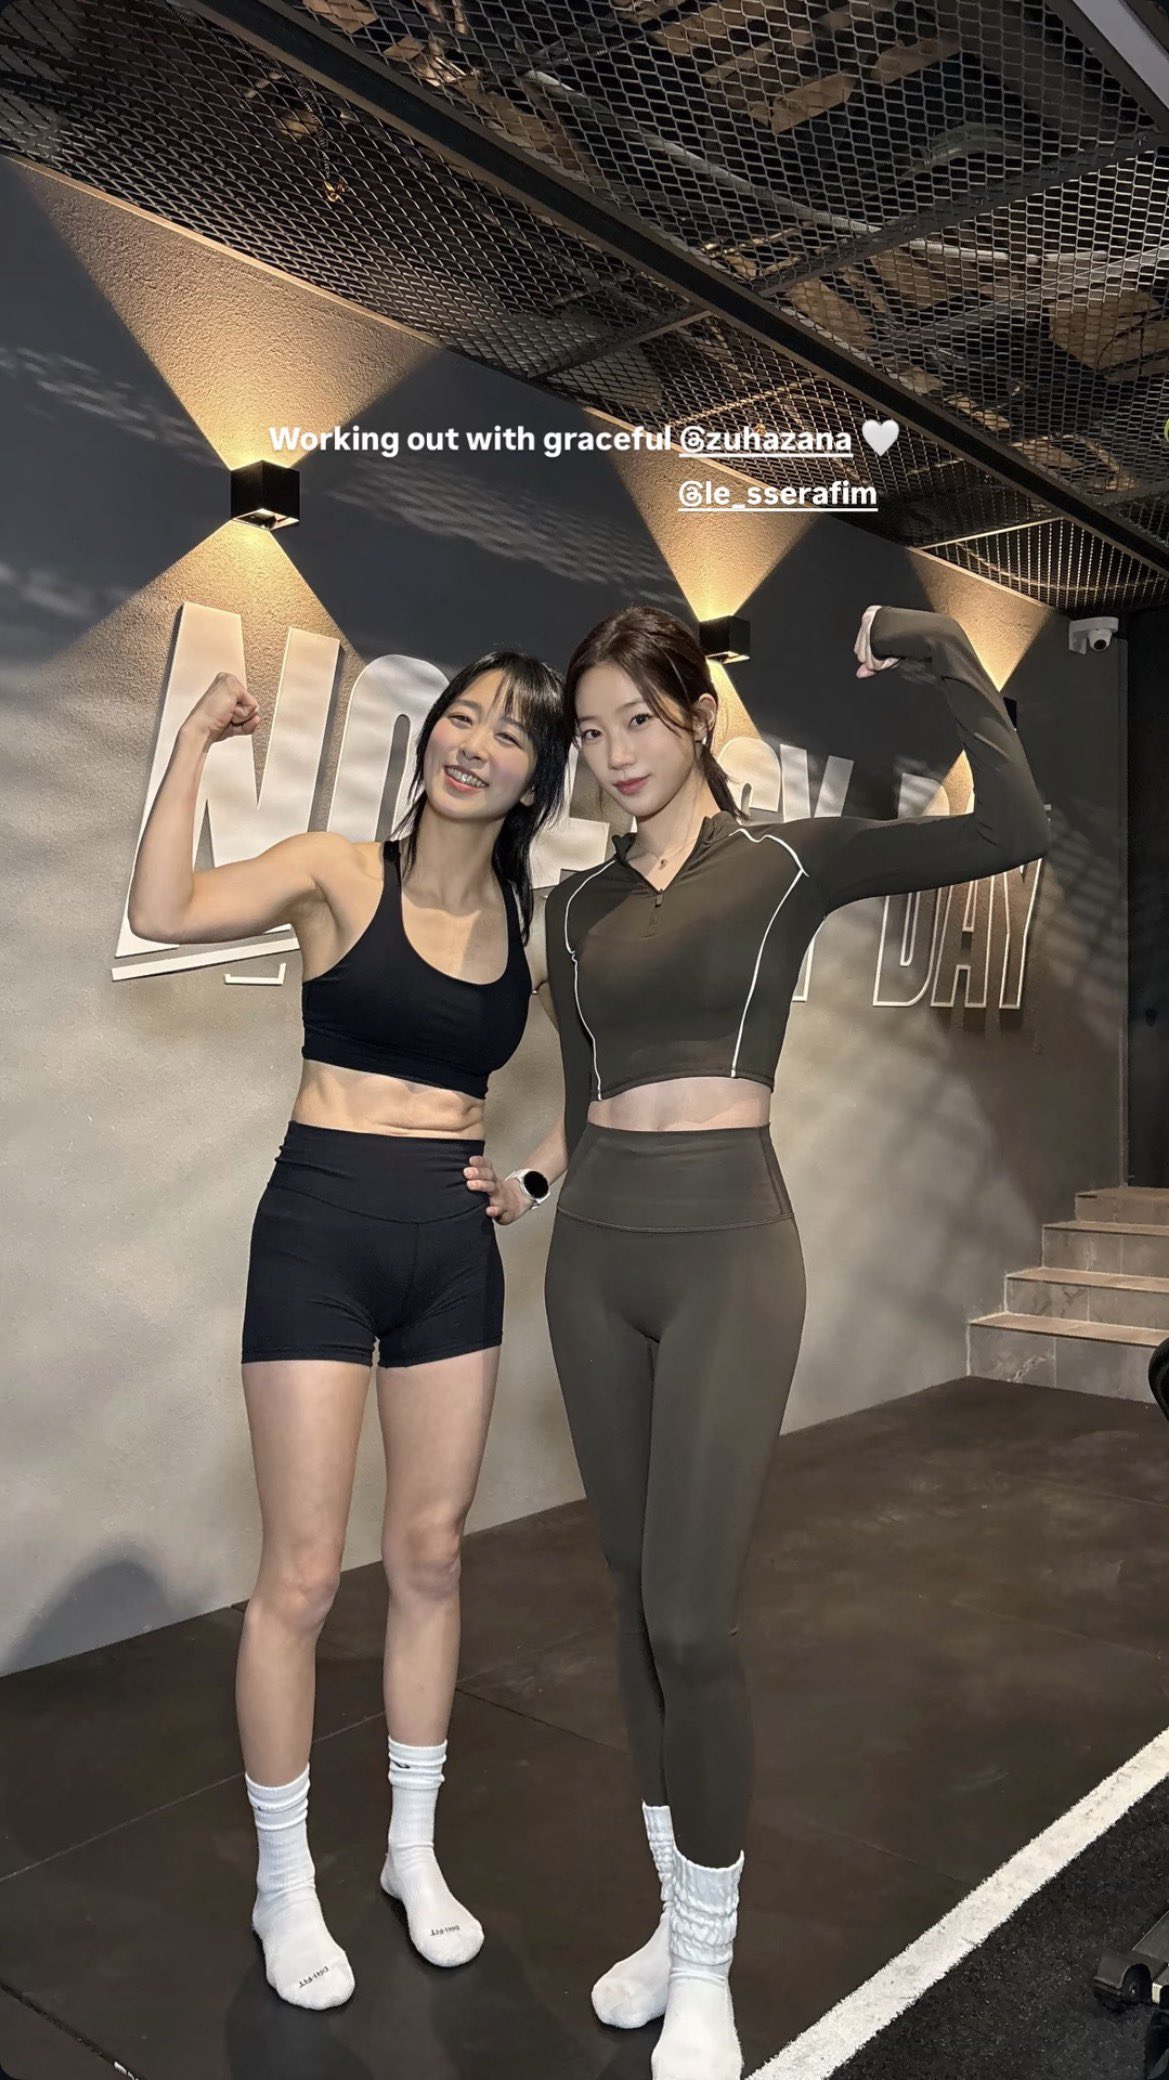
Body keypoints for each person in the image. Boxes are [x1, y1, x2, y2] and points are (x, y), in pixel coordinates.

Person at [478, 601, 1051, 2079]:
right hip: (595, 1260)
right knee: (629, 1603)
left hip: (731, 1250)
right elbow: (586, 1090)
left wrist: (937, 650)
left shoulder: (787, 861)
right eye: (591, 731)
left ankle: (710, 1970)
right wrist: (529, 1182)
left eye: (639, 720)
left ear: (697, 718)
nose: (614, 753)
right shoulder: (576, 910)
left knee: (691, 1619)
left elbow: (1017, 828)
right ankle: (670, 1926)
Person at [127, 649, 569, 2011]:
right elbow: (164, 907)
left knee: (430, 1557)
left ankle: (410, 1855)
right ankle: (282, 1881)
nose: (474, 743)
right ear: (430, 736)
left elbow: (624, 1069)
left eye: (508, 734)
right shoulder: (336, 872)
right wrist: (195, 740)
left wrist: (532, 1178)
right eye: (462, 717)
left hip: (449, 1248)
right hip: (319, 1225)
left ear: (533, 781)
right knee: (305, 1577)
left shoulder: (531, 924)